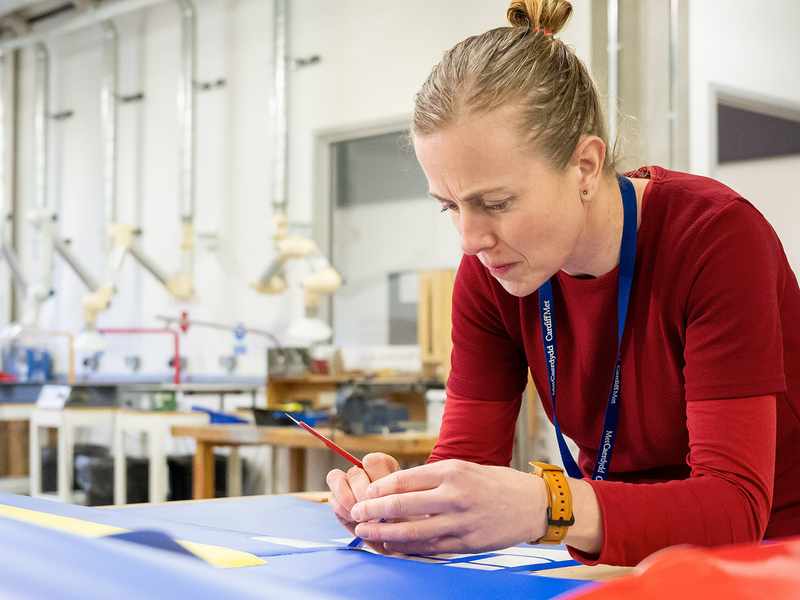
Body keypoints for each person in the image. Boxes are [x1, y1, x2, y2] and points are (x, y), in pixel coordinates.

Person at [325, 0, 800, 567]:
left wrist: (546, 504)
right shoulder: (490, 272)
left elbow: (734, 507)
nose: (469, 239)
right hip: (622, 552)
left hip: (768, 554)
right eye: (449, 206)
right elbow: (466, 457)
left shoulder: (715, 238)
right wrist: (405, 505)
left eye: (495, 202)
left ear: (584, 166)